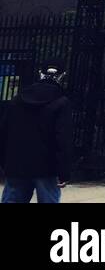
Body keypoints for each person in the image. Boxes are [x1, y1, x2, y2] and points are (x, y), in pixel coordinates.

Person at [0, 64, 74, 204]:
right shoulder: (61, 103)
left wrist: (5, 163)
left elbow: (4, 132)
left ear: (40, 74)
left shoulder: (18, 100)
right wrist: (64, 171)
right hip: (46, 166)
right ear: (62, 76)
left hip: (17, 163)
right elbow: (63, 139)